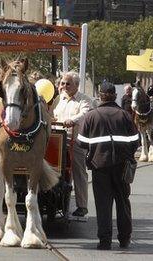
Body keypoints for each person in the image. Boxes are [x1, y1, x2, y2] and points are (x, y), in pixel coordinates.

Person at [76, 82, 139, 250]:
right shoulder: (124, 115)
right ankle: (124, 239)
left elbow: (81, 142)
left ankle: (104, 241)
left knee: (103, 205)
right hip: (122, 166)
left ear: (99, 94)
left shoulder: (91, 116)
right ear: (115, 96)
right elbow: (135, 141)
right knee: (123, 202)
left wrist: (96, 149)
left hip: (99, 166)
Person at [53, 71, 92, 217]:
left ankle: (82, 206)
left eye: (67, 83)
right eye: (62, 83)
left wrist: (72, 120)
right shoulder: (59, 98)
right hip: (56, 140)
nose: (64, 86)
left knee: (79, 172)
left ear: (76, 85)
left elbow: (85, 115)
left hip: (75, 141)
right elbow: (51, 115)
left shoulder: (84, 100)